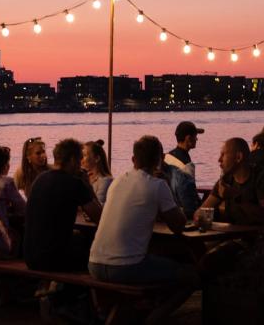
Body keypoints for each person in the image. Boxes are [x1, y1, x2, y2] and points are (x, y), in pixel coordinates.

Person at [89, 135, 198, 324]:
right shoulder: (157, 185)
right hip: (125, 267)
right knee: (191, 276)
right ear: (159, 160)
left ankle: (142, 308)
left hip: (94, 264)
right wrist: (168, 191)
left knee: (156, 261)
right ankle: (152, 319)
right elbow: (179, 225)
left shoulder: (117, 181)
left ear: (133, 160)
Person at [24, 138, 102, 271]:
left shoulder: (40, 179)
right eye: (79, 160)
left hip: (30, 257)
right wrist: (87, 184)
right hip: (53, 260)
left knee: (77, 239)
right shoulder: (75, 183)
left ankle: (63, 290)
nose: (80, 165)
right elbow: (100, 218)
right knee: (95, 254)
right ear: (72, 160)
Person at [197, 137, 264, 226]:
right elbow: (200, 212)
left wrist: (235, 197)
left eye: (223, 155)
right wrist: (199, 218)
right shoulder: (226, 181)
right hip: (232, 236)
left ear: (238, 157)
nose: (219, 160)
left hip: (263, 238)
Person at [81, 140, 113, 205]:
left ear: (97, 158)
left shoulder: (105, 181)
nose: (81, 159)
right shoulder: (84, 178)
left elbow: (98, 208)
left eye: (84, 155)